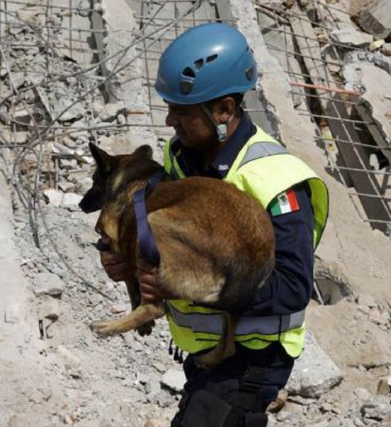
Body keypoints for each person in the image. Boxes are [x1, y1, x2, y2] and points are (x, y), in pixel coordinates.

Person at [96, 23, 329, 427]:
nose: (170, 121)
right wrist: (127, 261)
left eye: (182, 112)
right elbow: (161, 238)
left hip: (253, 357)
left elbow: (292, 288)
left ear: (223, 109)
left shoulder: (274, 177)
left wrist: (187, 287)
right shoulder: (179, 159)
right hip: (205, 352)